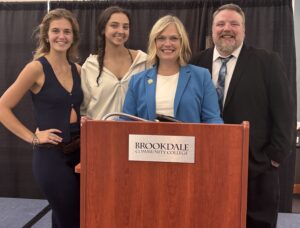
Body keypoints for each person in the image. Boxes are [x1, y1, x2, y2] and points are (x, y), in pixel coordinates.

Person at [190, 3, 293, 228]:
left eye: (234, 24)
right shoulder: (195, 64)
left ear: (244, 30)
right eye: (221, 24)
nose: (227, 28)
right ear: (212, 29)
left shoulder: (267, 62)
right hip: (206, 167)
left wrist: (271, 159)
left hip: (256, 170)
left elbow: (285, 115)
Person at [0, 8, 82, 228]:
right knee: (71, 219)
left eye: (67, 31)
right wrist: (33, 138)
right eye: (56, 31)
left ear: (73, 36)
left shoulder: (78, 69)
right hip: (51, 157)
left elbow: (73, 106)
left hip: (79, 152)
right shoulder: (36, 68)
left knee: (66, 217)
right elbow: (2, 107)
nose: (61, 36)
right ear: (46, 35)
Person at [122, 15, 222, 123]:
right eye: (161, 38)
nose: (167, 44)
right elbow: (125, 122)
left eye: (174, 38)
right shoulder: (137, 81)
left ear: (182, 43)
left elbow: (213, 120)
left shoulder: (202, 77)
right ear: (154, 43)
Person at [80, 6, 147, 120]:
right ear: (103, 29)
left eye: (125, 27)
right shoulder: (90, 66)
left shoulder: (143, 61)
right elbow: (83, 110)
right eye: (114, 25)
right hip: (101, 134)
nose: (120, 31)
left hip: (135, 135)